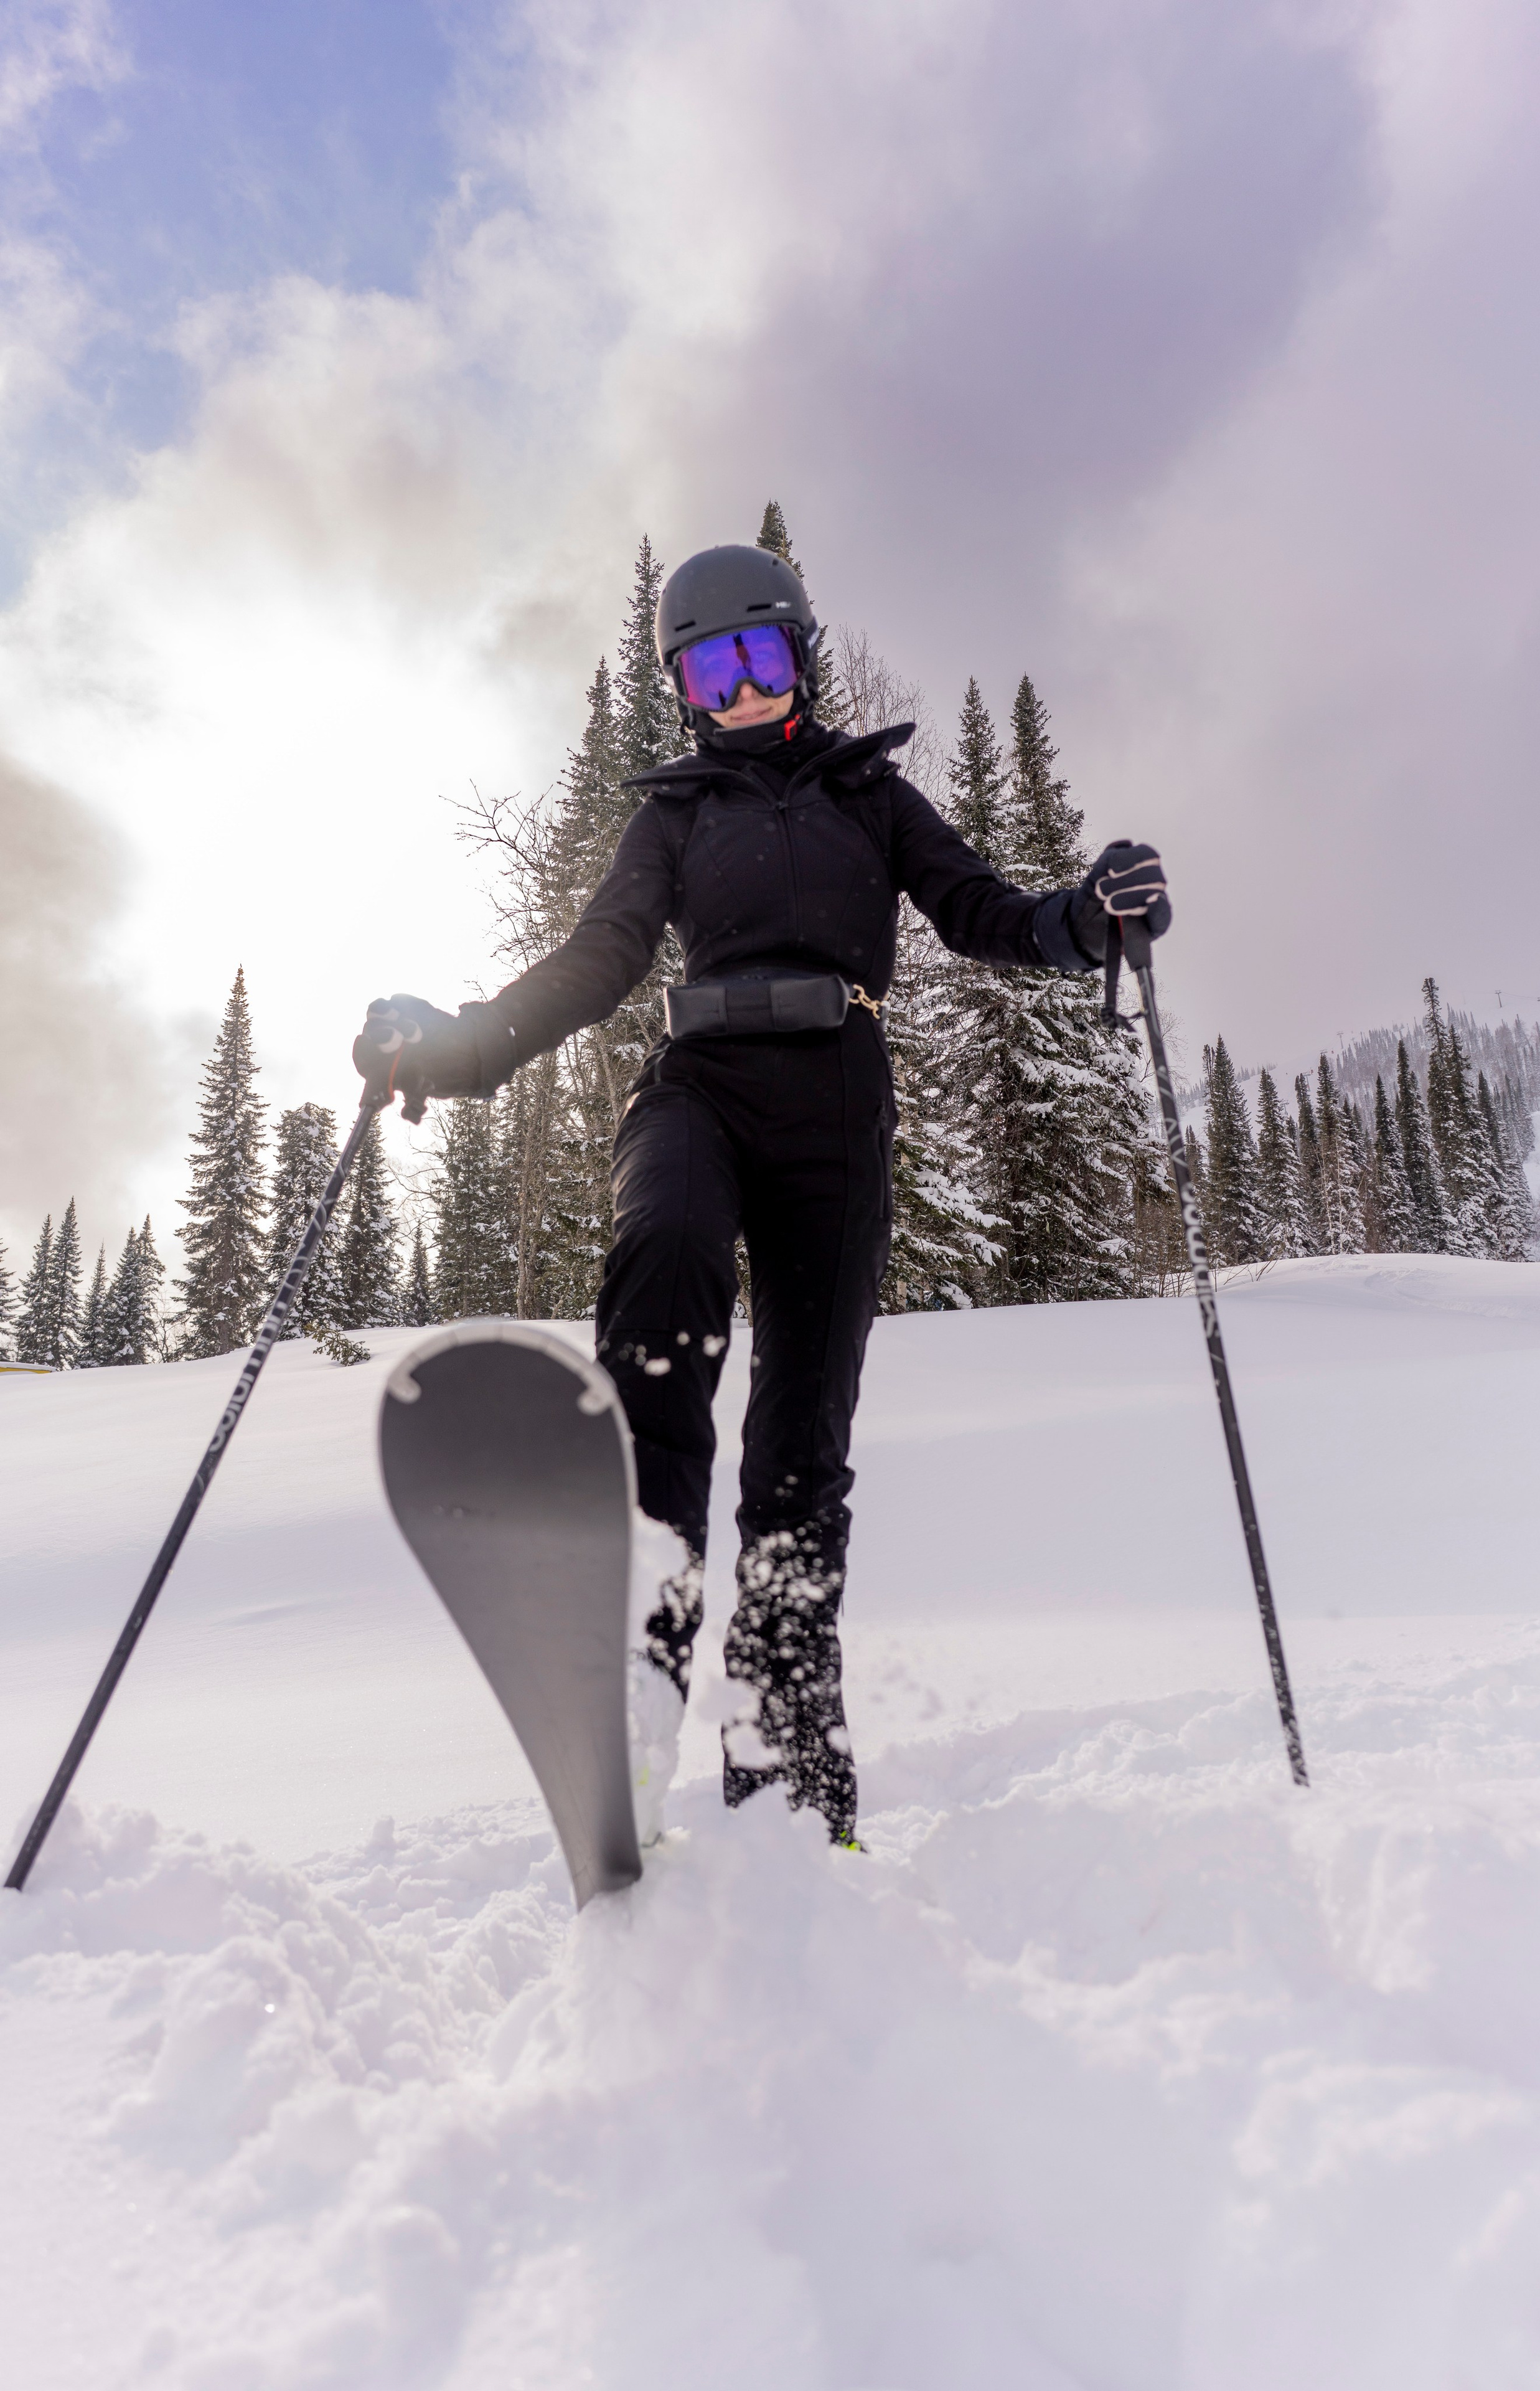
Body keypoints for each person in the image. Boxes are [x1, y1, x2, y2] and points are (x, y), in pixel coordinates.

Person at [354, 544, 1170, 1847]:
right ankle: (635, 1661)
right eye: (706, 666)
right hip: (701, 1085)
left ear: (799, 656)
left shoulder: (870, 798)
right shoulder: (674, 813)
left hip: (837, 1109)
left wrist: (1085, 919)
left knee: (800, 1444)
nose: (734, 687)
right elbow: (595, 962)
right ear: (684, 687)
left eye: (757, 656)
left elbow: (979, 913)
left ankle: (784, 1759)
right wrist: (455, 1047)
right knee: (666, 1248)